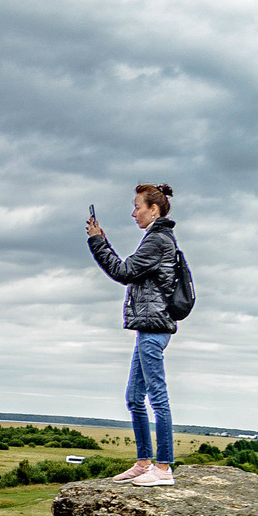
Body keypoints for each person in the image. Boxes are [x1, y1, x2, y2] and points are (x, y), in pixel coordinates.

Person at [86, 183, 181, 486]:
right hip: (148, 328)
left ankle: (163, 468)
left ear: (154, 209)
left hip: (154, 329)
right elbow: (128, 271)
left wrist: (99, 242)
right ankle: (144, 462)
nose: (133, 212)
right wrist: (101, 240)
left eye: (137, 206)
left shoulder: (157, 240)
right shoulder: (155, 239)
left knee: (157, 397)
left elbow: (123, 272)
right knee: (134, 398)